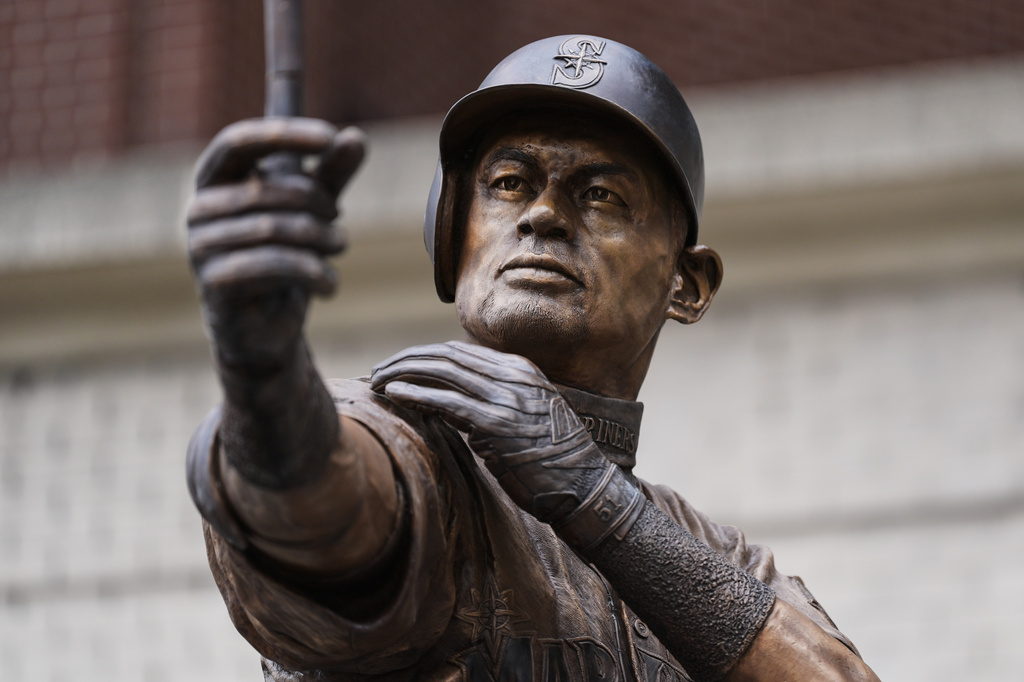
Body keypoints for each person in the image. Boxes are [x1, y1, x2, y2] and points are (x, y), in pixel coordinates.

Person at [186, 35, 880, 681]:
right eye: (510, 182)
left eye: (601, 195)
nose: (542, 214)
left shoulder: (723, 558)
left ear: (687, 284)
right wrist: (263, 376)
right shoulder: (408, 444)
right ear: (450, 237)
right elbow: (314, 502)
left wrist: (599, 501)